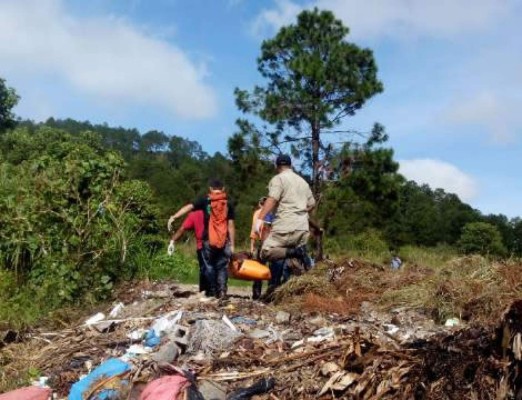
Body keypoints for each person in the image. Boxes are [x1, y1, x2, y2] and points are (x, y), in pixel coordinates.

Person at [256, 154, 315, 293]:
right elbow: (311, 204)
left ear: (277, 166)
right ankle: (277, 289)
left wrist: (260, 218)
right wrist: (300, 212)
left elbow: (272, 199)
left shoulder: (278, 179)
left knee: (266, 252)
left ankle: (295, 252)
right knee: (283, 256)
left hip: (285, 225)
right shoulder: (302, 182)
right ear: (290, 165)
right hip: (302, 227)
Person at [168, 179, 235, 299]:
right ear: (223, 189)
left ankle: (213, 291)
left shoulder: (205, 201)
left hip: (207, 240)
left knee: (208, 266)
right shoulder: (228, 204)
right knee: (222, 266)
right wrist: (232, 244)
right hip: (224, 240)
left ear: (210, 189)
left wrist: (174, 216)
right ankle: (222, 291)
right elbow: (231, 225)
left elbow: (189, 207)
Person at [167, 210, 209, 293]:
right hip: (219, 243)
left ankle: (205, 290)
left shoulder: (194, 214)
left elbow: (182, 229)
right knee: (218, 267)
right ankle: (220, 290)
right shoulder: (217, 210)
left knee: (204, 268)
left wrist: (172, 241)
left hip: (202, 246)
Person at [249, 197, 274, 300]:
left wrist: (252, 246)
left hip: (262, 242)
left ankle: (256, 292)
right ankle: (271, 292)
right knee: (272, 269)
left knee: (259, 269)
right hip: (272, 243)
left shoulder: (258, 213)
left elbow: (254, 230)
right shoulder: (273, 213)